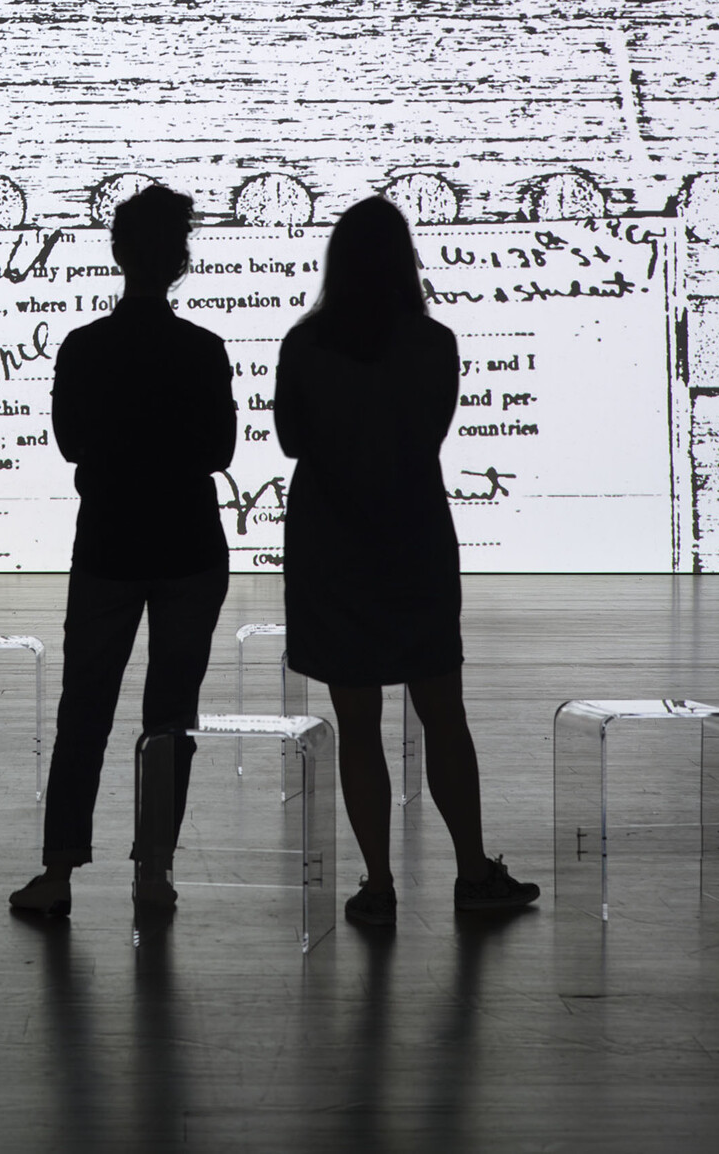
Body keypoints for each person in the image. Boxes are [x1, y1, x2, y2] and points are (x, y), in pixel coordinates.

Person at [274, 197, 537, 926]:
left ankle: (379, 885)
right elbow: (429, 434)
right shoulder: (434, 342)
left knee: (356, 723)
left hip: (331, 542)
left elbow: (291, 440)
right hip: (413, 535)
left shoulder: (305, 344)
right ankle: (473, 872)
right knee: (444, 713)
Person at [9, 184, 235, 921]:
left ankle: (58, 870)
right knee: (170, 717)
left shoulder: (85, 347)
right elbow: (219, 450)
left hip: (109, 539)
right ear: (180, 259)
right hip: (188, 544)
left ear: (118, 253)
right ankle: (155, 869)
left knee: (85, 708)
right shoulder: (202, 349)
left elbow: (72, 442)